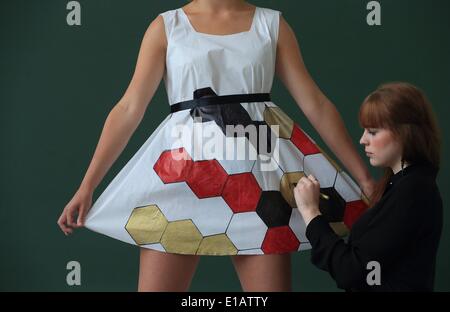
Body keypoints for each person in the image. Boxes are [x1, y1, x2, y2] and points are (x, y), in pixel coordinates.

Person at [57, 0, 375, 291]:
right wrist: (88, 185)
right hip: (179, 182)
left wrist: (362, 177)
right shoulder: (166, 26)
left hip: (261, 186)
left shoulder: (272, 24)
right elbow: (129, 108)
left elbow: (314, 103)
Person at [294, 82, 443, 291]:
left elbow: (352, 272)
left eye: (372, 131)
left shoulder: (412, 192)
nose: (363, 140)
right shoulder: (404, 186)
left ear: (404, 133)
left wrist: (311, 213)